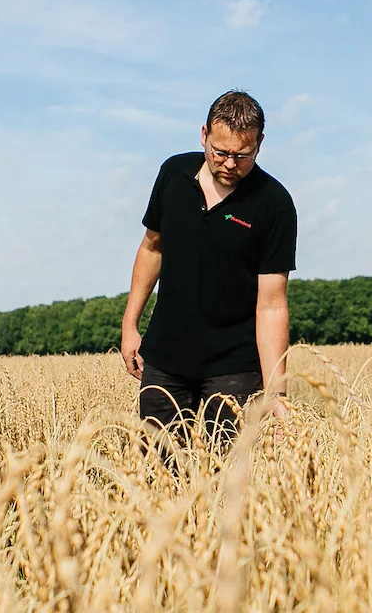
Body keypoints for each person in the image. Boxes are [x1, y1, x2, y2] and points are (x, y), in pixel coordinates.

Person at [120, 90, 297, 447]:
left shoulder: (274, 204)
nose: (230, 163)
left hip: (234, 368)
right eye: (220, 152)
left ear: (259, 144)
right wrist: (129, 325)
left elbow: (272, 304)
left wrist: (276, 392)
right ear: (204, 135)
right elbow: (151, 248)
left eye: (242, 155)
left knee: (228, 479)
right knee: (157, 473)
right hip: (165, 359)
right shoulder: (173, 174)